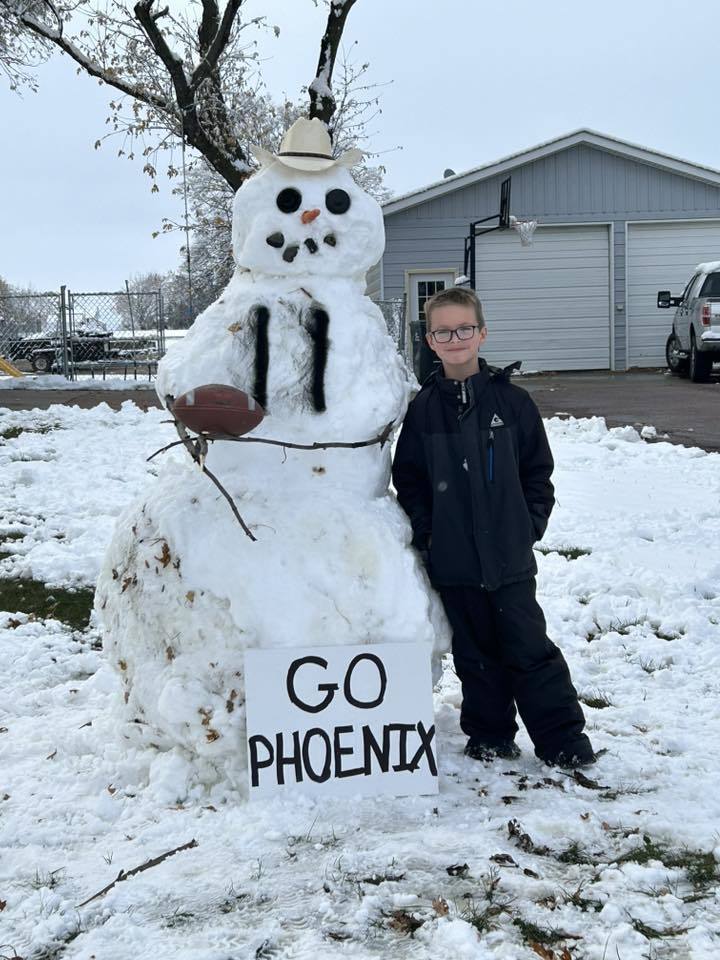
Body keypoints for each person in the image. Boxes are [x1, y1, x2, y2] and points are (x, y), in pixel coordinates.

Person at [392, 287, 595, 768]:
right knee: (475, 654)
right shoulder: (423, 411)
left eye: (464, 328)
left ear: (482, 333)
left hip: (509, 558)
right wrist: (430, 535)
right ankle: (490, 734)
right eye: (443, 332)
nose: (455, 339)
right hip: (454, 561)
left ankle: (562, 740)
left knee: (530, 650)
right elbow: (410, 480)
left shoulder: (513, 403)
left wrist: (527, 527)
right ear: (430, 340)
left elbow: (537, 472)